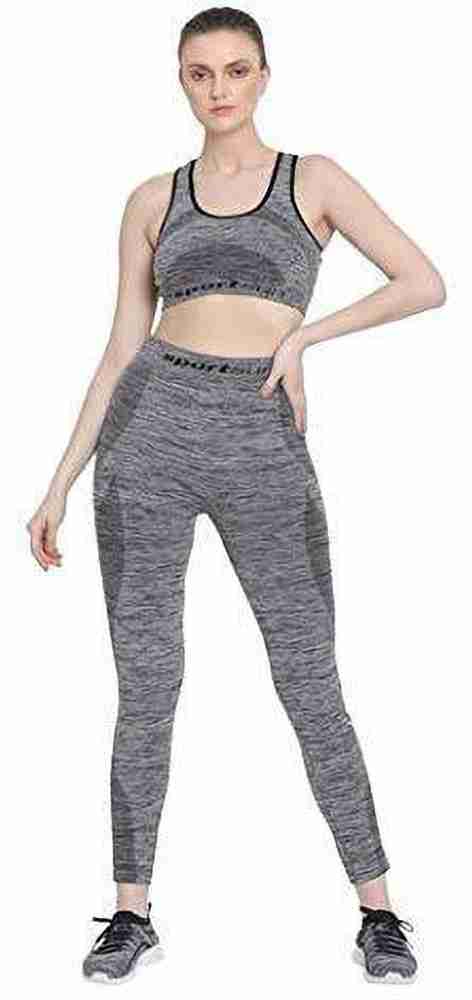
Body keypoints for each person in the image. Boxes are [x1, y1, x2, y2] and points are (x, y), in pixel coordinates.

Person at [27, 6, 445, 986]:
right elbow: (120, 346)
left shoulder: (314, 180)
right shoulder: (151, 198)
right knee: (147, 682)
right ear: (182, 80)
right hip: (148, 434)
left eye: (236, 70)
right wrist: (60, 479)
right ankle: (130, 910)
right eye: (200, 72)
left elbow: (422, 281)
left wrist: (303, 337)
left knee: (308, 677)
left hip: (260, 433)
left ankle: (378, 908)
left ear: (263, 76)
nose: (219, 88)